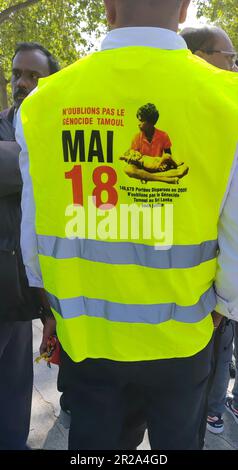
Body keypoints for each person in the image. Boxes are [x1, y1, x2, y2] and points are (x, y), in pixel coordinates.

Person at [17, 0, 238, 450]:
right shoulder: (226, 98)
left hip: (88, 340)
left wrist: (52, 304)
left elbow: (32, 231)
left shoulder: (44, 102)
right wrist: (223, 309)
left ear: (108, 8)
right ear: (184, 10)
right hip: (183, 339)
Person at [0, 42, 59, 450]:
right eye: (18, 74)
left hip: (27, 298)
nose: (23, 83)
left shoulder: (58, 132)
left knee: (14, 400)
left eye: (34, 76)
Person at [181, 25, 238, 435]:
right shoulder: (215, 117)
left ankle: (214, 407)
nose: (234, 66)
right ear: (200, 56)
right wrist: (225, 302)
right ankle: (213, 410)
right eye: (228, 57)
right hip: (205, 296)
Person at [120, 102, 189, 183]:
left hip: (158, 167)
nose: (138, 124)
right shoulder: (136, 137)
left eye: (141, 121)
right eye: (138, 120)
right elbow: (134, 155)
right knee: (128, 169)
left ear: (150, 122)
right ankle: (164, 179)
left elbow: (168, 155)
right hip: (143, 168)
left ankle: (147, 177)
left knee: (185, 168)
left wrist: (164, 165)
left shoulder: (163, 135)